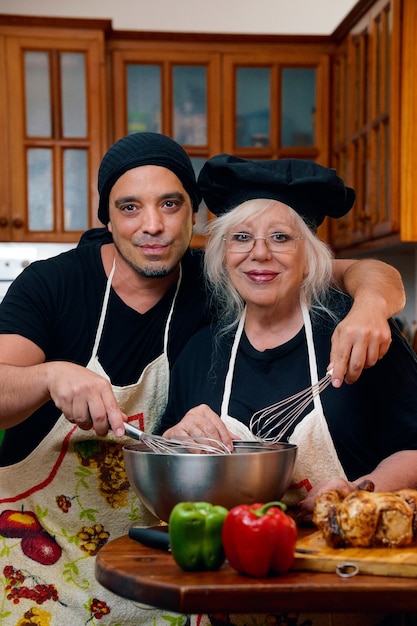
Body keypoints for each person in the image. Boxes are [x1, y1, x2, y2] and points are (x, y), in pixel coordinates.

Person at [0, 133, 407, 626]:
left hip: (293, 581)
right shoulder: (61, 287)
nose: (152, 225)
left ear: (192, 215)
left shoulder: (323, 319)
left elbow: (363, 271)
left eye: (169, 204)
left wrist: (372, 306)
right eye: (130, 207)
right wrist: (51, 377)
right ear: (106, 218)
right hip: (50, 550)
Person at [157, 154, 417, 626]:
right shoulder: (199, 352)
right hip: (232, 601)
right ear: (222, 254)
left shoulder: (359, 334)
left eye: (280, 237)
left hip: (358, 594)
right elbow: (165, 479)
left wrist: (358, 494)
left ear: (312, 255)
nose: (259, 253)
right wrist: (178, 439)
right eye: (241, 237)